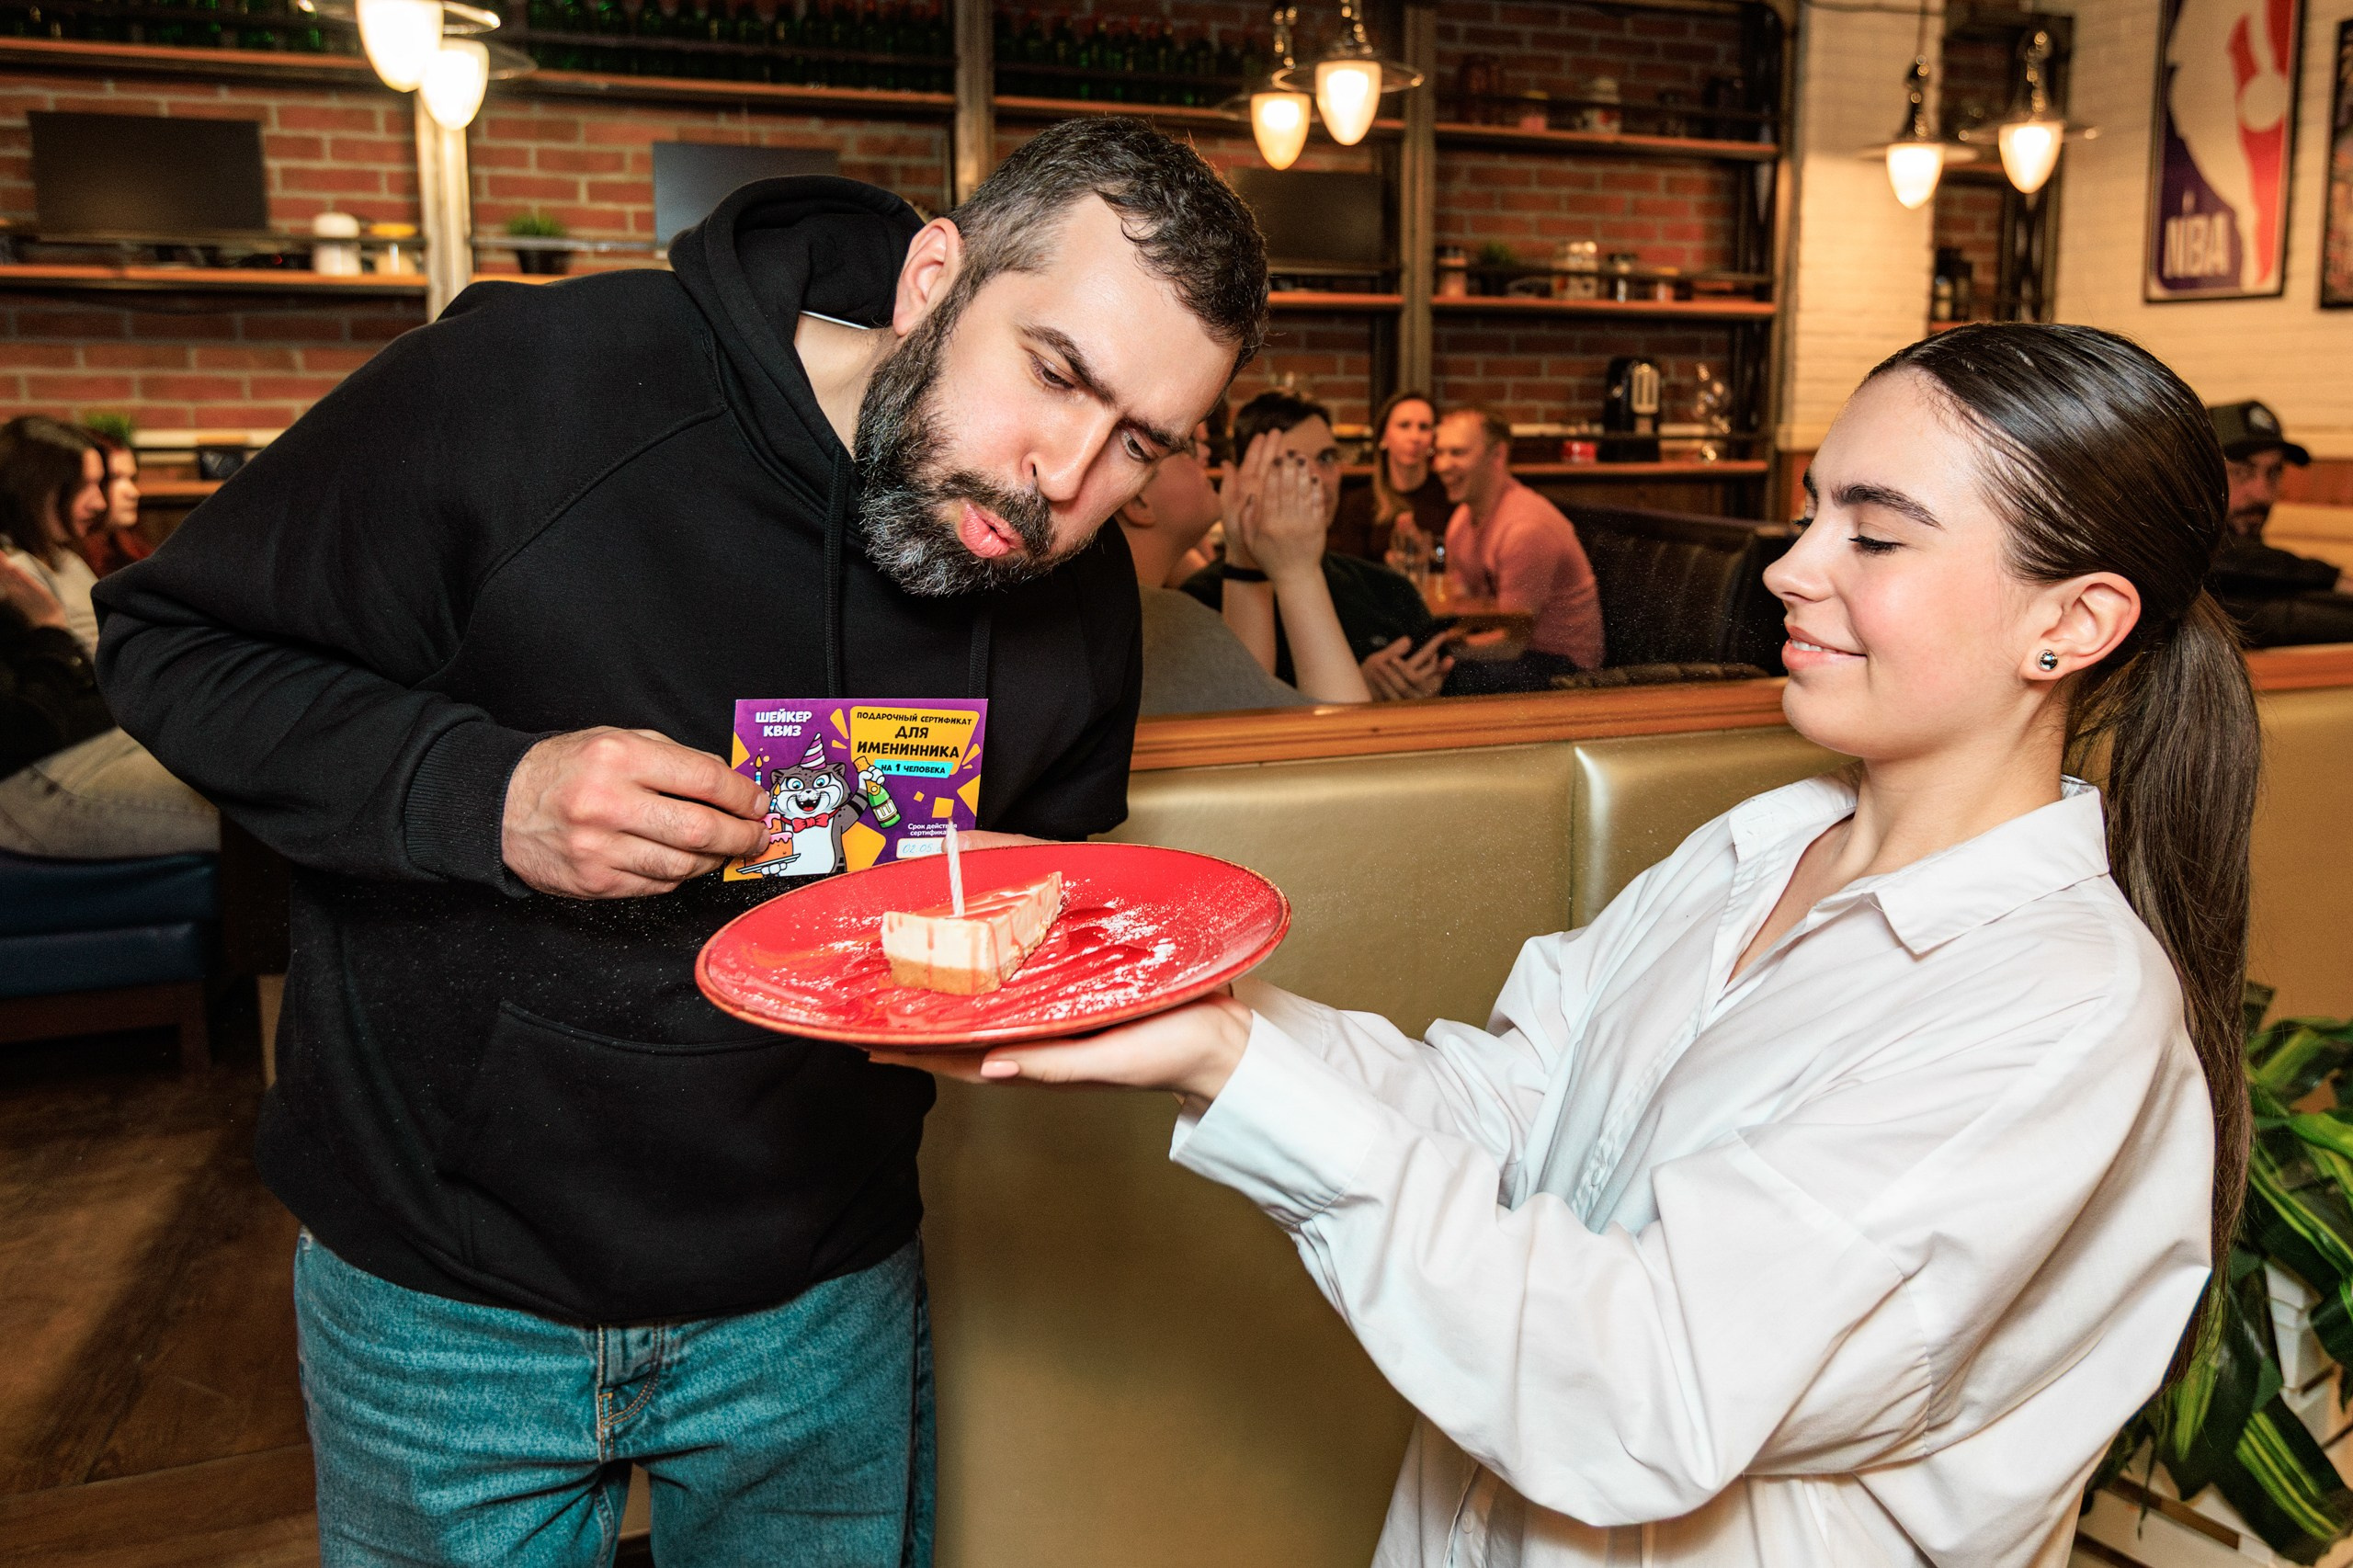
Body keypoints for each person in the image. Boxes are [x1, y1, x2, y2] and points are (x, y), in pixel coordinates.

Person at [96, 117, 1267, 1566]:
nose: (1066, 482)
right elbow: (169, 641)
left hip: (821, 1293)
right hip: (446, 1291)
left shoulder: (1071, 600)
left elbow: (1037, 868)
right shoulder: (543, 386)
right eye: (1054, 373)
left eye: (1141, 441)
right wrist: (492, 791)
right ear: (933, 279)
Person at [913, 324, 2250, 1565]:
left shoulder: (2062, 1003)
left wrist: (1234, 1065)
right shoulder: (1761, 844)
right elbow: (1503, 1110)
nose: (1790, 568)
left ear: (2070, 622)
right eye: (1809, 513)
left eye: (1876, 535)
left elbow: (1647, 1383)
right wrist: (1192, 1001)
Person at [1183, 392, 1454, 702]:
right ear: (1244, 478)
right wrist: (1358, 684)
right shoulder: (1202, 601)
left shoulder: (1390, 590)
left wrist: (1423, 691)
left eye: (1325, 458)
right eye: (1290, 463)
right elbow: (1243, 709)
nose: (1316, 479)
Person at [1120, 421, 1370, 714]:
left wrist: (1243, 554)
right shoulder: (1167, 623)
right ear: (1138, 501)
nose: (1206, 454)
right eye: (1186, 447)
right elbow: (1346, 734)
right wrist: (1298, 573)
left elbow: (1243, 696)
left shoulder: (1138, 612)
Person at [0, 552, 215, 858]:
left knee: (253, 769)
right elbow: (28, 727)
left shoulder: (54, 563)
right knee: (253, 812)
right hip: (34, 780)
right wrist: (49, 627)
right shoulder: (23, 568)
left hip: (100, 740)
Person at [1432, 405, 1604, 692]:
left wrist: (1443, 652)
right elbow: (1463, 606)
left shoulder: (1525, 529)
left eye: (1457, 453)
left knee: (1447, 676)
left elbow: (1512, 642)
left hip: (1565, 669)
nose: (1441, 465)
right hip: (1511, 651)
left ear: (1497, 455)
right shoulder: (1461, 520)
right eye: (1439, 453)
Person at [2202, 400, 2353, 646]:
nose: (2262, 493)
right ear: (2198, 475)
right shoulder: (2171, 553)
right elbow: (2217, 556)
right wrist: (2332, 578)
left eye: (2274, 472)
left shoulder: (2266, 579)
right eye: (2241, 472)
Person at [0, 415, 108, 652]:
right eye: (80, 487)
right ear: (31, 487)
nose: (99, 503)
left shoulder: (64, 557)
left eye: (99, 485)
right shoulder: (13, 573)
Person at [1329, 389, 1448, 564]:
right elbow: (1350, 570)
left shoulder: (1448, 497)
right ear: (1383, 437)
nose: (1415, 437)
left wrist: (1428, 556)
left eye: (1424, 427)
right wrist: (1387, 564)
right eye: (1404, 426)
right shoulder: (1358, 503)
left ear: (1433, 439)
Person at [77, 426, 151, 577]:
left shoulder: (128, 547)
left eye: (132, 479)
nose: (133, 493)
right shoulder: (70, 561)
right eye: (115, 478)